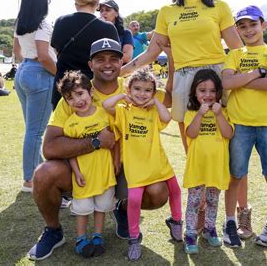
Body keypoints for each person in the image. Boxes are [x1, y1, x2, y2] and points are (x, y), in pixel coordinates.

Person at [28, 38, 170, 261]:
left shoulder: (135, 87)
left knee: (159, 192)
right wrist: (96, 142)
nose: (108, 64)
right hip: (85, 168)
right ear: (90, 63)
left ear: (122, 61)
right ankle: (54, 230)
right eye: (100, 59)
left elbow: (171, 98)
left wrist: (172, 56)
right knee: (44, 174)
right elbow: (50, 147)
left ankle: (121, 209)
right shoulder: (78, 93)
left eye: (114, 58)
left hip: (126, 169)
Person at [121, 0, 242, 153]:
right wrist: (120, 72)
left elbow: (237, 48)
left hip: (216, 76)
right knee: (190, 138)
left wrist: (252, 74)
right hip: (183, 76)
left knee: (220, 135)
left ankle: (216, 183)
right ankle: (195, 182)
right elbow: (151, 53)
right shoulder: (167, 11)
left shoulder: (219, 6)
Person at [103, 68, 182, 261]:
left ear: (153, 93)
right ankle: (133, 239)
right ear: (129, 90)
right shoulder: (123, 111)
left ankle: (176, 222)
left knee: (176, 191)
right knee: (135, 201)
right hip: (136, 168)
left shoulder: (154, 110)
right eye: (137, 89)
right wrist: (123, 96)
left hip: (158, 163)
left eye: (147, 90)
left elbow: (167, 118)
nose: (142, 93)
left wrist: (155, 101)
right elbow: (106, 105)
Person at [222, 5, 267, 247]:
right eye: (242, 26)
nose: (248, 30)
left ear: (263, 25)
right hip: (240, 124)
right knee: (235, 175)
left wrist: (240, 79)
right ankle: (229, 222)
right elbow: (226, 81)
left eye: (253, 24)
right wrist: (257, 72)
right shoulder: (234, 53)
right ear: (237, 30)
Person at [56, 71, 117, 258]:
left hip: (105, 174)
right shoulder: (71, 124)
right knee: (82, 210)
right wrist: (76, 172)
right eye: (70, 98)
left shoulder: (105, 115)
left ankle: (98, 236)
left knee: (101, 207)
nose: (77, 100)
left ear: (90, 93)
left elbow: (116, 140)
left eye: (80, 93)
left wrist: (116, 161)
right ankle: (81, 239)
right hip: (83, 175)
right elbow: (71, 152)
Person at [50, 0, 119, 110]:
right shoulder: (107, 28)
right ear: (97, 2)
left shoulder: (61, 21)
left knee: (63, 130)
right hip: (93, 90)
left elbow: (57, 50)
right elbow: (113, 60)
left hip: (64, 90)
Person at [182, 69, 233, 254]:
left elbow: (228, 133)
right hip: (197, 167)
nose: (208, 95)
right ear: (194, 93)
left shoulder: (224, 112)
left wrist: (219, 115)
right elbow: (191, 133)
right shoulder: (191, 112)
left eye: (212, 91)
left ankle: (210, 229)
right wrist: (199, 115)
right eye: (202, 90)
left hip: (216, 167)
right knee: (194, 202)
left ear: (218, 92)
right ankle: (190, 234)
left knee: (212, 200)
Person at [13, 0, 57, 193]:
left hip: (23, 71)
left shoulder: (20, 23)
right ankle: (30, 180)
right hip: (39, 73)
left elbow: (17, 52)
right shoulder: (43, 24)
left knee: (32, 129)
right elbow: (44, 56)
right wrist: (59, 75)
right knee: (35, 131)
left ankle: (35, 171)